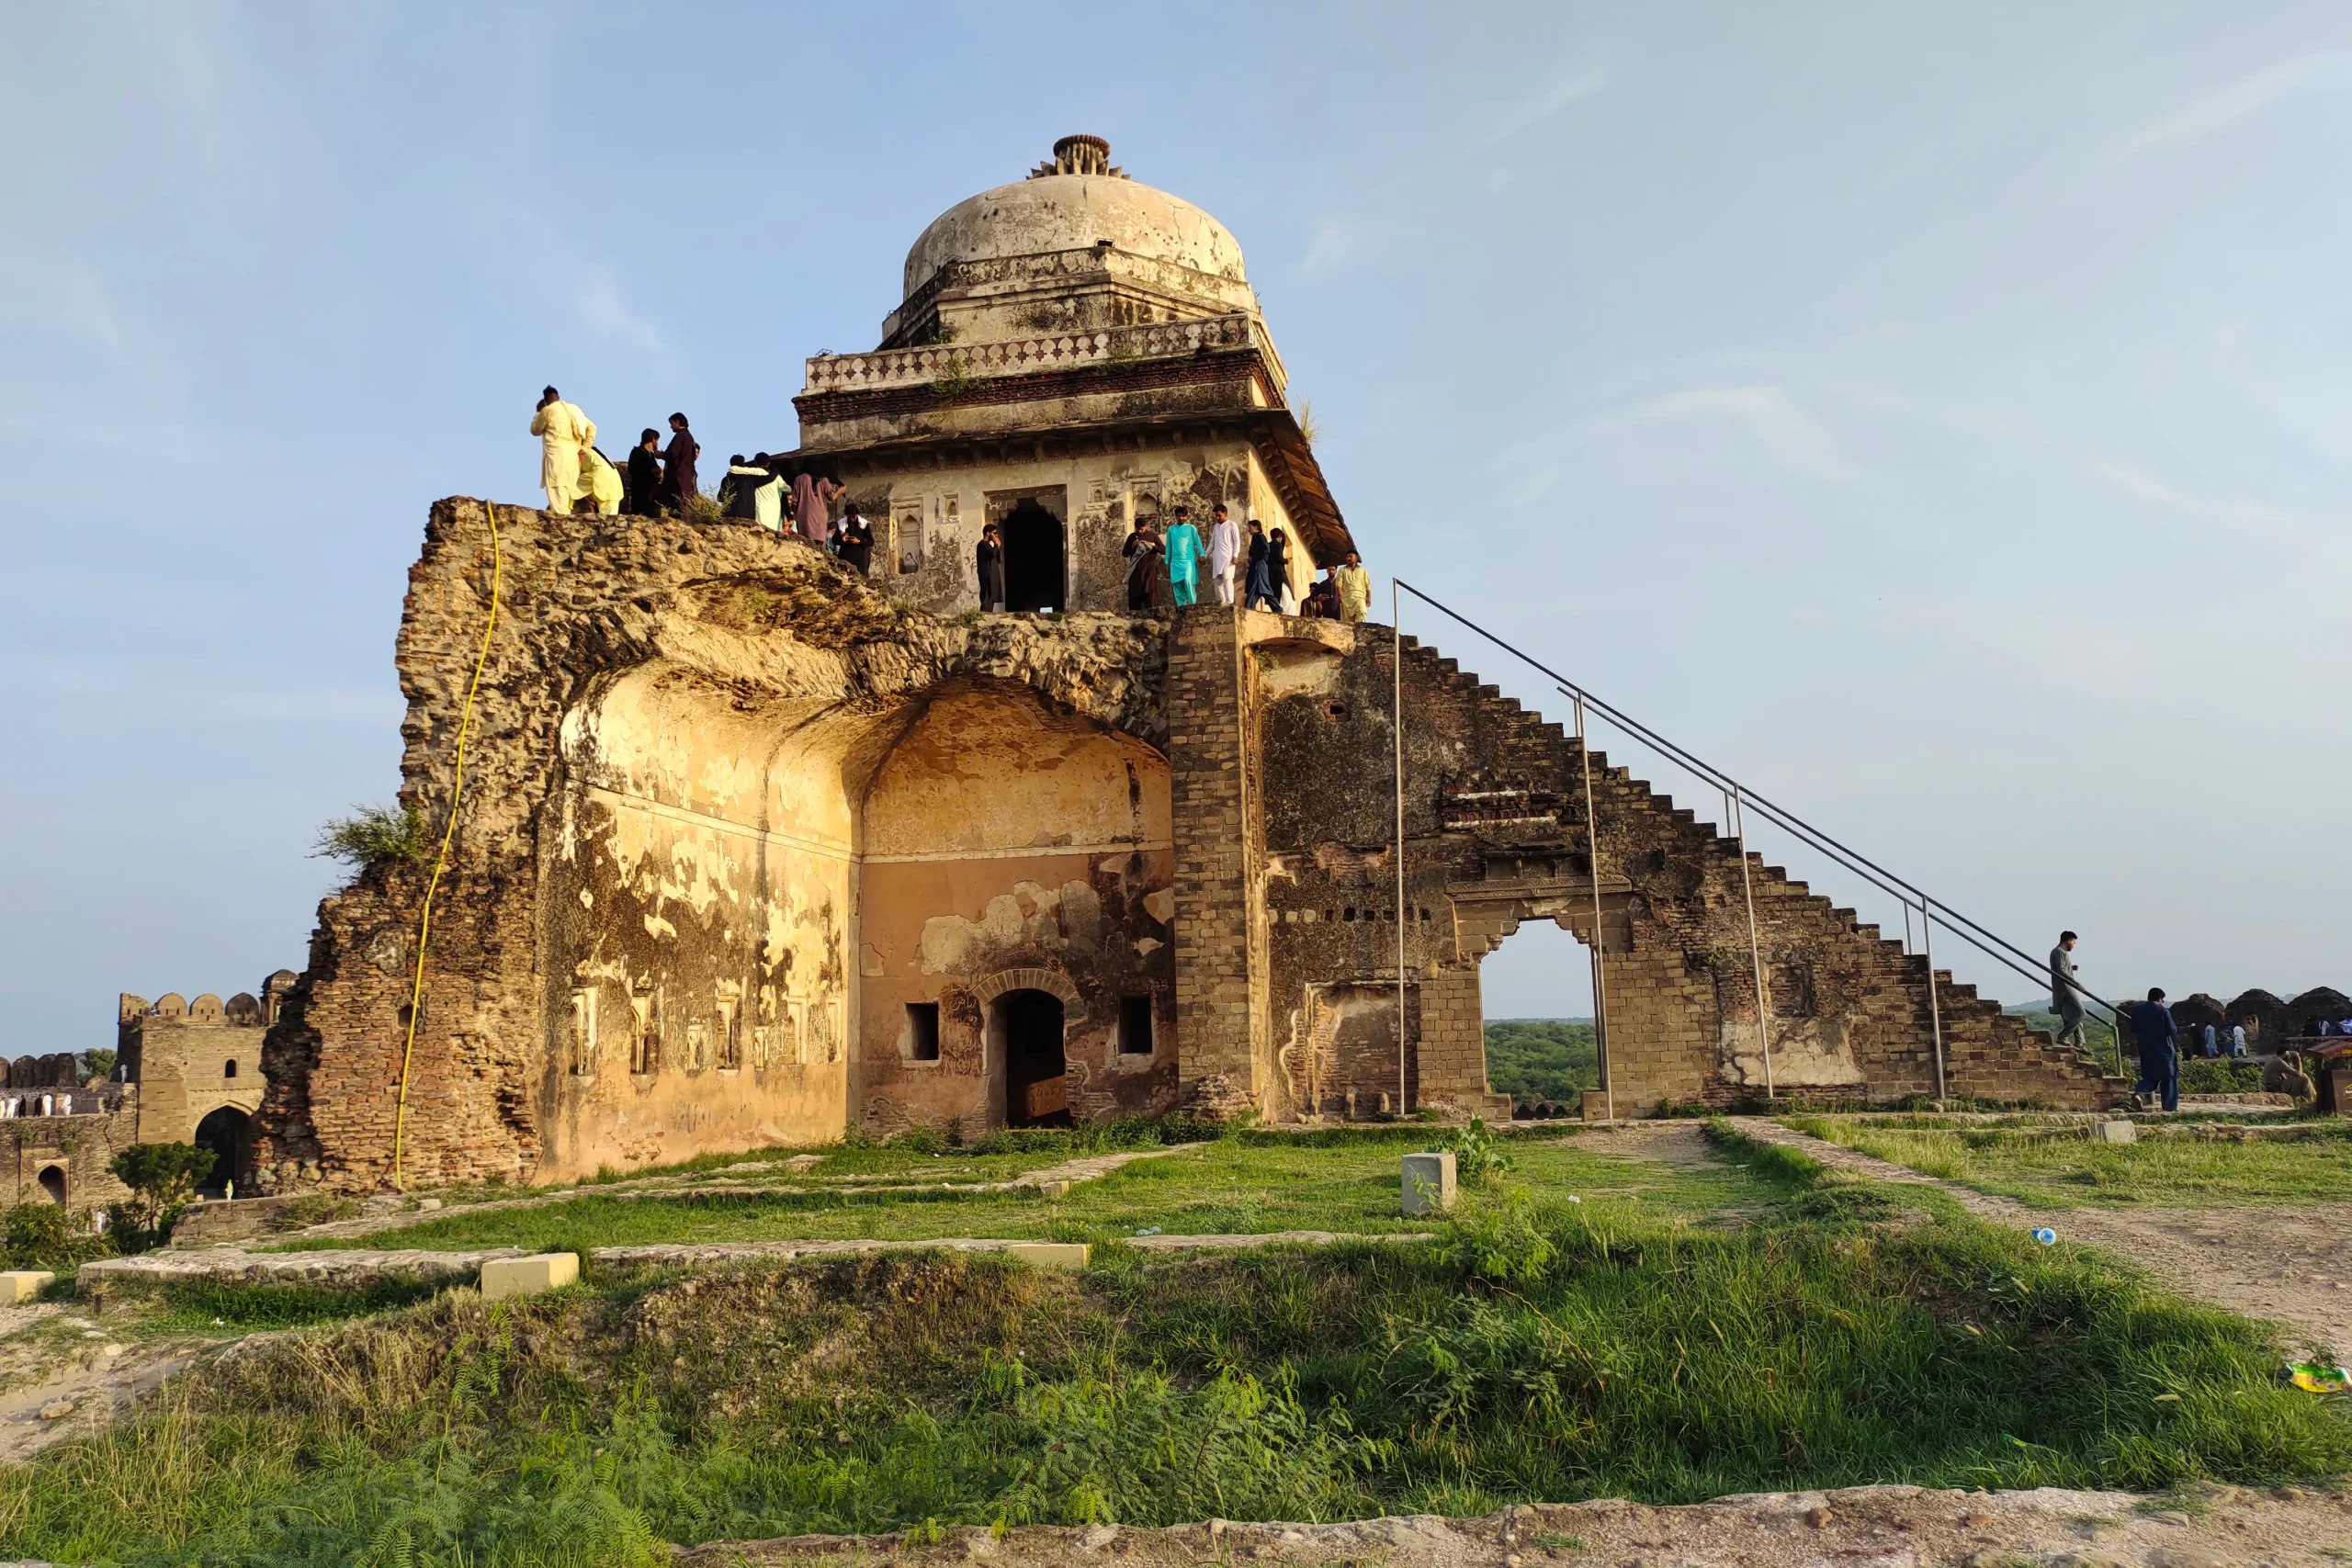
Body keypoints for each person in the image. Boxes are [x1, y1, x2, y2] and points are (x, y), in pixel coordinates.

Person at [529, 386, 595, 513]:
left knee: (556, 487)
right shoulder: (574, 409)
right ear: (558, 397)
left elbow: (535, 430)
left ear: (546, 400)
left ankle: (561, 520)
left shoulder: (547, 410)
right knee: (567, 489)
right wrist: (585, 447)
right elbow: (592, 428)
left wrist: (538, 412)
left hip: (556, 455)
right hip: (573, 456)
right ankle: (565, 517)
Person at [2129, 986, 2178, 1113]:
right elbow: (2172, 1030)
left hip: (2145, 1049)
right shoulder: (2163, 1011)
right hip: (2164, 1050)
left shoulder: (2138, 1010)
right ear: (2160, 999)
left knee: (2150, 1077)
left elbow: (2133, 1028)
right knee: (2169, 1077)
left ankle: (2139, 1094)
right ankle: (2169, 1107)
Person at [2048, 931, 2085, 1049]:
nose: (2073, 945)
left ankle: (2080, 1042)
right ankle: (2063, 1036)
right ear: (2068, 941)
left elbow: (2061, 968)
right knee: (2080, 1012)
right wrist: (2075, 983)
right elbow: (2061, 971)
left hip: (2063, 986)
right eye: (2073, 942)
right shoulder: (2059, 952)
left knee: (2075, 1013)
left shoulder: (2060, 952)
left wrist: (2071, 967)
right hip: (2065, 987)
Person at [658, 413, 698, 513]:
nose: (670, 426)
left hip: (678, 477)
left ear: (677, 422)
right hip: (685, 476)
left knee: (676, 504)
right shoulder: (689, 437)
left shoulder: (681, 436)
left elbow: (673, 454)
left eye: (671, 423)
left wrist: (661, 455)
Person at [792, 467, 843, 547]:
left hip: (804, 517)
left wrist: (795, 517)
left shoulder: (799, 479)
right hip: (820, 517)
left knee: (805, 544)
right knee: (819, 546)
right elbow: (832, 497)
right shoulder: (823, 480)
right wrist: (841, 490)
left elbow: (794, 502)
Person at [1164, 506, 1204, 607]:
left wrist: (1202, 554)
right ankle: (1181, 608)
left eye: (1183, 516)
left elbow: (1198, 542)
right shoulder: (1171, 530)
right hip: (1175, 562)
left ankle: (1193, 605)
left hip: (1188, 561)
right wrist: (1166, 562)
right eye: (1179, 516)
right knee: (1177, 586)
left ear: (1187, 517)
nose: (1181, 518)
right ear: (1175, 517)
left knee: (1188, 581)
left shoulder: (1191, 528)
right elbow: (1168, 546)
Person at [1124, 516, 1163, 612]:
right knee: (1135, 597)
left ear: (1145, 527)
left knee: (1150, 596)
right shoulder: (1132, 537)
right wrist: (1133, 547)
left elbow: (1164, 549)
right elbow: (1124, 553)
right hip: (1136, 572)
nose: (1140, 531)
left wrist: (1153, 545)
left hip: (1149, 571)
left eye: (1142, 529)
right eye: (1138, 529)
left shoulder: (1153, 536)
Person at [1206, 502, 1239, 606]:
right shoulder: (1216, 527)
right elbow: (1212, 543)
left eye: (1219, 515)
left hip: (1228, 557)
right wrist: (1205, 555)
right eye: (1216, 515)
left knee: (1227, 579)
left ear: (1225, 514)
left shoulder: (1232, 525)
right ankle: (1221, 602)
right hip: (1217, 558)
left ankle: (1230, 602)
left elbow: (1237, 541)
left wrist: (1235, 555)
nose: (1217, 517)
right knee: (1218, 581)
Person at [625, 429, 662, 516]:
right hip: (640, 490)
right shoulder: (637, 452)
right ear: (653, 440)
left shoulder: (651, 455)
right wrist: (650, 471)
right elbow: (632, 468)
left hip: (651, 492)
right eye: (657, 440)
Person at [580, 445, 626, 516]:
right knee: (611, 518)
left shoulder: (583, 452)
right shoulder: (594, 451)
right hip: (614, 486)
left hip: (604, 483)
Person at [835, 500, 875, 576]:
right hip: (844, 556)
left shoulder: (863, 524)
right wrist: (842, 539)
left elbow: (871, 542)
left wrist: (859, 542)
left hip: (859, 558)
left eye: (854, 516)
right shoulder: (841, 524)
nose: (852, 519)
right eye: (850, 517)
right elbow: (834, 541)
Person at [1243, 519, 1275, 610]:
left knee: (1261, 588)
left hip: (1259, 565)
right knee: (1256, 590)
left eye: (1250, 527)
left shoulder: (1260, 537)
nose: (1248, 529)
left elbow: (1266, 550)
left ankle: (1249, 608)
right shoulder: (1255, 537)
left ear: (1256, 527)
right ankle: (1249, 608)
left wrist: (1253, 558)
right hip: (1256, 565)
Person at [1335, 549, 1372, 625]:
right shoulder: (1342, 570)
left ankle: (1361, 634)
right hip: (1346, 598)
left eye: (1350, 556)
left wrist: (1369, 598)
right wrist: (1339, 596)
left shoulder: (1363, 570)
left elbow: (1367, 586)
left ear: (1356, 558)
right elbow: (1338, 584)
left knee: (1362, 613)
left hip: (1360, 597)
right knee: (1347, 623)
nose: (1348, 558)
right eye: (1347, 557)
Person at [976, 523, 1006, 611]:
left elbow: (998, 559)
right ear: (988, 533)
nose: (996, 535)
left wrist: (998, 546)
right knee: (986, 597)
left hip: (992, 576)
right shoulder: (982, 545)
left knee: (991, 597)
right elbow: (992, 554)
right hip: (986, 576)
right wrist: (996, 544)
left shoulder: (989, 546)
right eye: (994, 533)